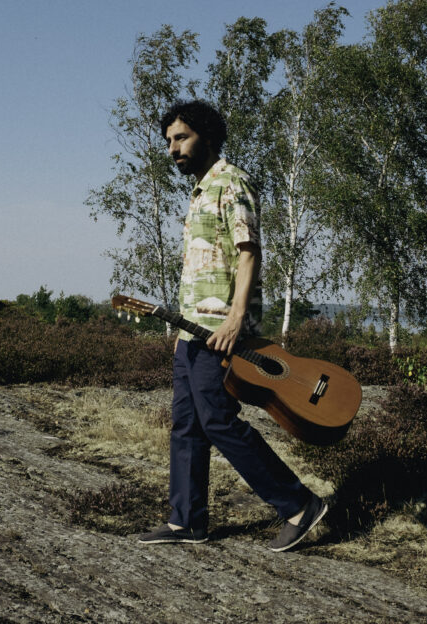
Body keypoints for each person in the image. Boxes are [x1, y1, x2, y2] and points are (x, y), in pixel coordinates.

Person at [138, 100, 327, 552]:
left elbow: (249, 252)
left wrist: (237, 318)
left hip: (223, 331)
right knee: (185, 425)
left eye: (180, 138)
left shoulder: (232, 183)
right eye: (168, 141)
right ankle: (186, 521)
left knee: (218, 420)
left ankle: (299, 504)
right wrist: (182, 332)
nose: (172, 149)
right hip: (192, 331)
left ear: (207, 135)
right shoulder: (199, 191)